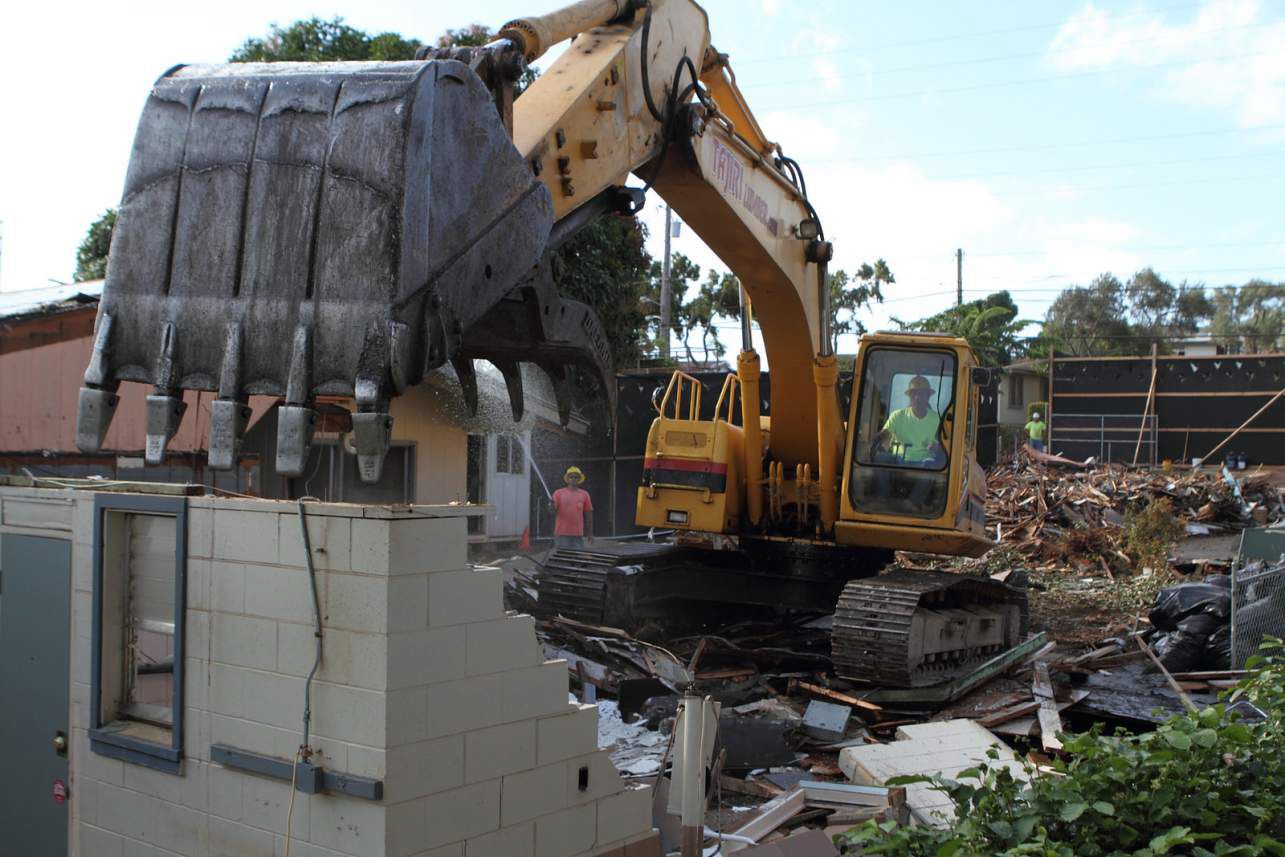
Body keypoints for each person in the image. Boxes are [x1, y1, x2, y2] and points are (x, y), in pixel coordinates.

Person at [880, 376, 943, 465]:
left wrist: (937, 447)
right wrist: (881, 437)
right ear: (909, 396)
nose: (917, 397)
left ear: (928, 396)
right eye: (914, 393)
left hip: (926, 463)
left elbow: (944, 445)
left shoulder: (936, 419)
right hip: (900, 461)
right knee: (882, 459)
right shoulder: (897, 416)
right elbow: (884, 435)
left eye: (921, 394)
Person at [551, 466, 594, 549]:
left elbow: (589, 515)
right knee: (563, 556)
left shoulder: (584, 494)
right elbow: (552, 512)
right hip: (561, 534)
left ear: (579, 479)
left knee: (577, 556)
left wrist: (590, 533)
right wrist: (551, 506)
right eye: (571, 477)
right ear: (567, 478)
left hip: (577, 534)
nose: (573, 479)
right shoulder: (558, 493)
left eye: (576, 477)